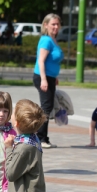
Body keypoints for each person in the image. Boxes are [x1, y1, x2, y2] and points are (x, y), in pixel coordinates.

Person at [33, 14, 64, 149]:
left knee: (48, 108)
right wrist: (44, 79)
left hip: (49, 77)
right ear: (46, 25)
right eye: (53, 24)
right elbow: (41, 61)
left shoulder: (53, 40)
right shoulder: (46, 40)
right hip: (42, 77)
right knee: (45, 108)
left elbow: (52, 61)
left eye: (57, 24)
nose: (56, 27)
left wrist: (54, 77)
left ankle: (44, 137)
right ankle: (40, 138)